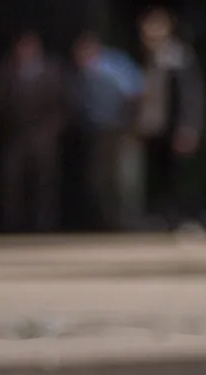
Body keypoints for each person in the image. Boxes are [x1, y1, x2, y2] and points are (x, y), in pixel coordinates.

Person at [0, 31, 68, 233]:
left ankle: (44, 225)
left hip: (43, 138)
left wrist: (52, 130)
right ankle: (13, 225)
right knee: (11, 184)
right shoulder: (5, 72)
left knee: (44, 184)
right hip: (13, 137)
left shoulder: (52, 71)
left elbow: (64, 105)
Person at [135, 8, 204, 227]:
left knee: (179, 174)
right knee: (157, 175)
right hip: (152, 126)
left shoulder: (178, 55)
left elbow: (191, 93)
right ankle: (162, 218)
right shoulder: (144, 56)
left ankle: (184, 218)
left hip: (175, 125)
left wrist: (189, 125)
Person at [71, 32, 145, 229]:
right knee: (100, 179)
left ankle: (129, 222)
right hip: (98, 132)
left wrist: (132, 125)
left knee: (125, 178)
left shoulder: (114, 67)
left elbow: (134, 94)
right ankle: (107, 222)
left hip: (122, 130)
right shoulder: (82, 74)